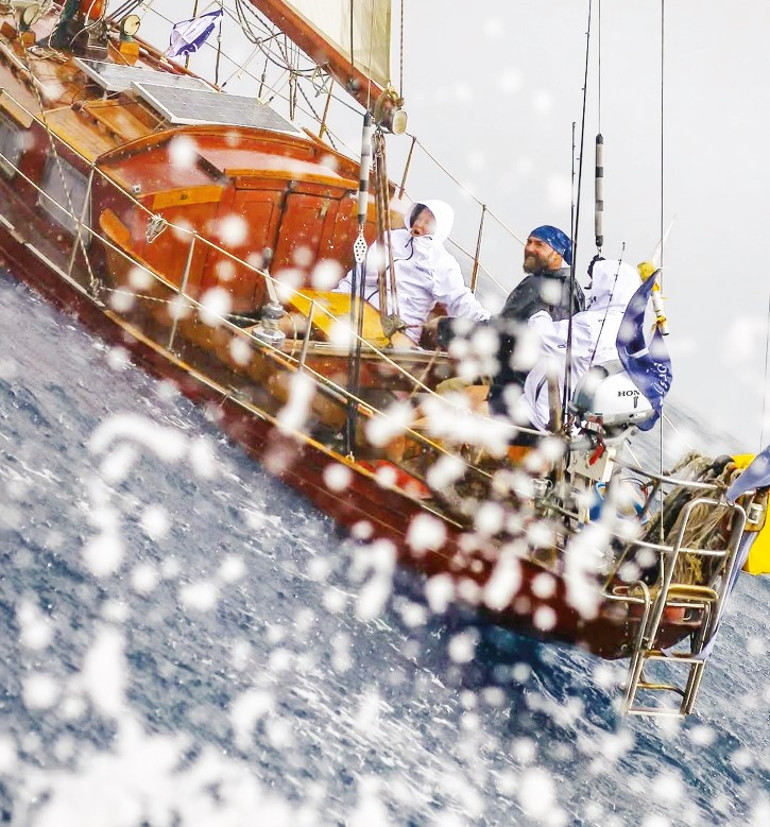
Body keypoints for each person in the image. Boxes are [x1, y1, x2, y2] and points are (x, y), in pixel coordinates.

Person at [433, 224, 584, 414]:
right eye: (528, 242)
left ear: (558, 254)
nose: (529, 248)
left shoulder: (536, 286)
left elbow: (499, 329)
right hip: (546, 390)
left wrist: (444, 327)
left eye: (539, 245)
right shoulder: (574, 290)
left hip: (515, 383)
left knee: (445, 391)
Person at [334, 200, 490, 345]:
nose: (419, 224)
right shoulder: (391, 238)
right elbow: (359, 274)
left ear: (439, 229)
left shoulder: (442, 263)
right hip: (357, 311)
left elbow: (459, 299)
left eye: (428, 222)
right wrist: (336, 298)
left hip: (398, 333)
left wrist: (488, 324)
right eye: (419, 218)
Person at [513, 258, 641, 432]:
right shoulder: (628, 331)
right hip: (572, 426)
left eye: (594, 286)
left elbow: (541, 337)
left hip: (537, 420)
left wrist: (540, 312)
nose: (590, 292)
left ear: (605, 290)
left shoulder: (591, 325)